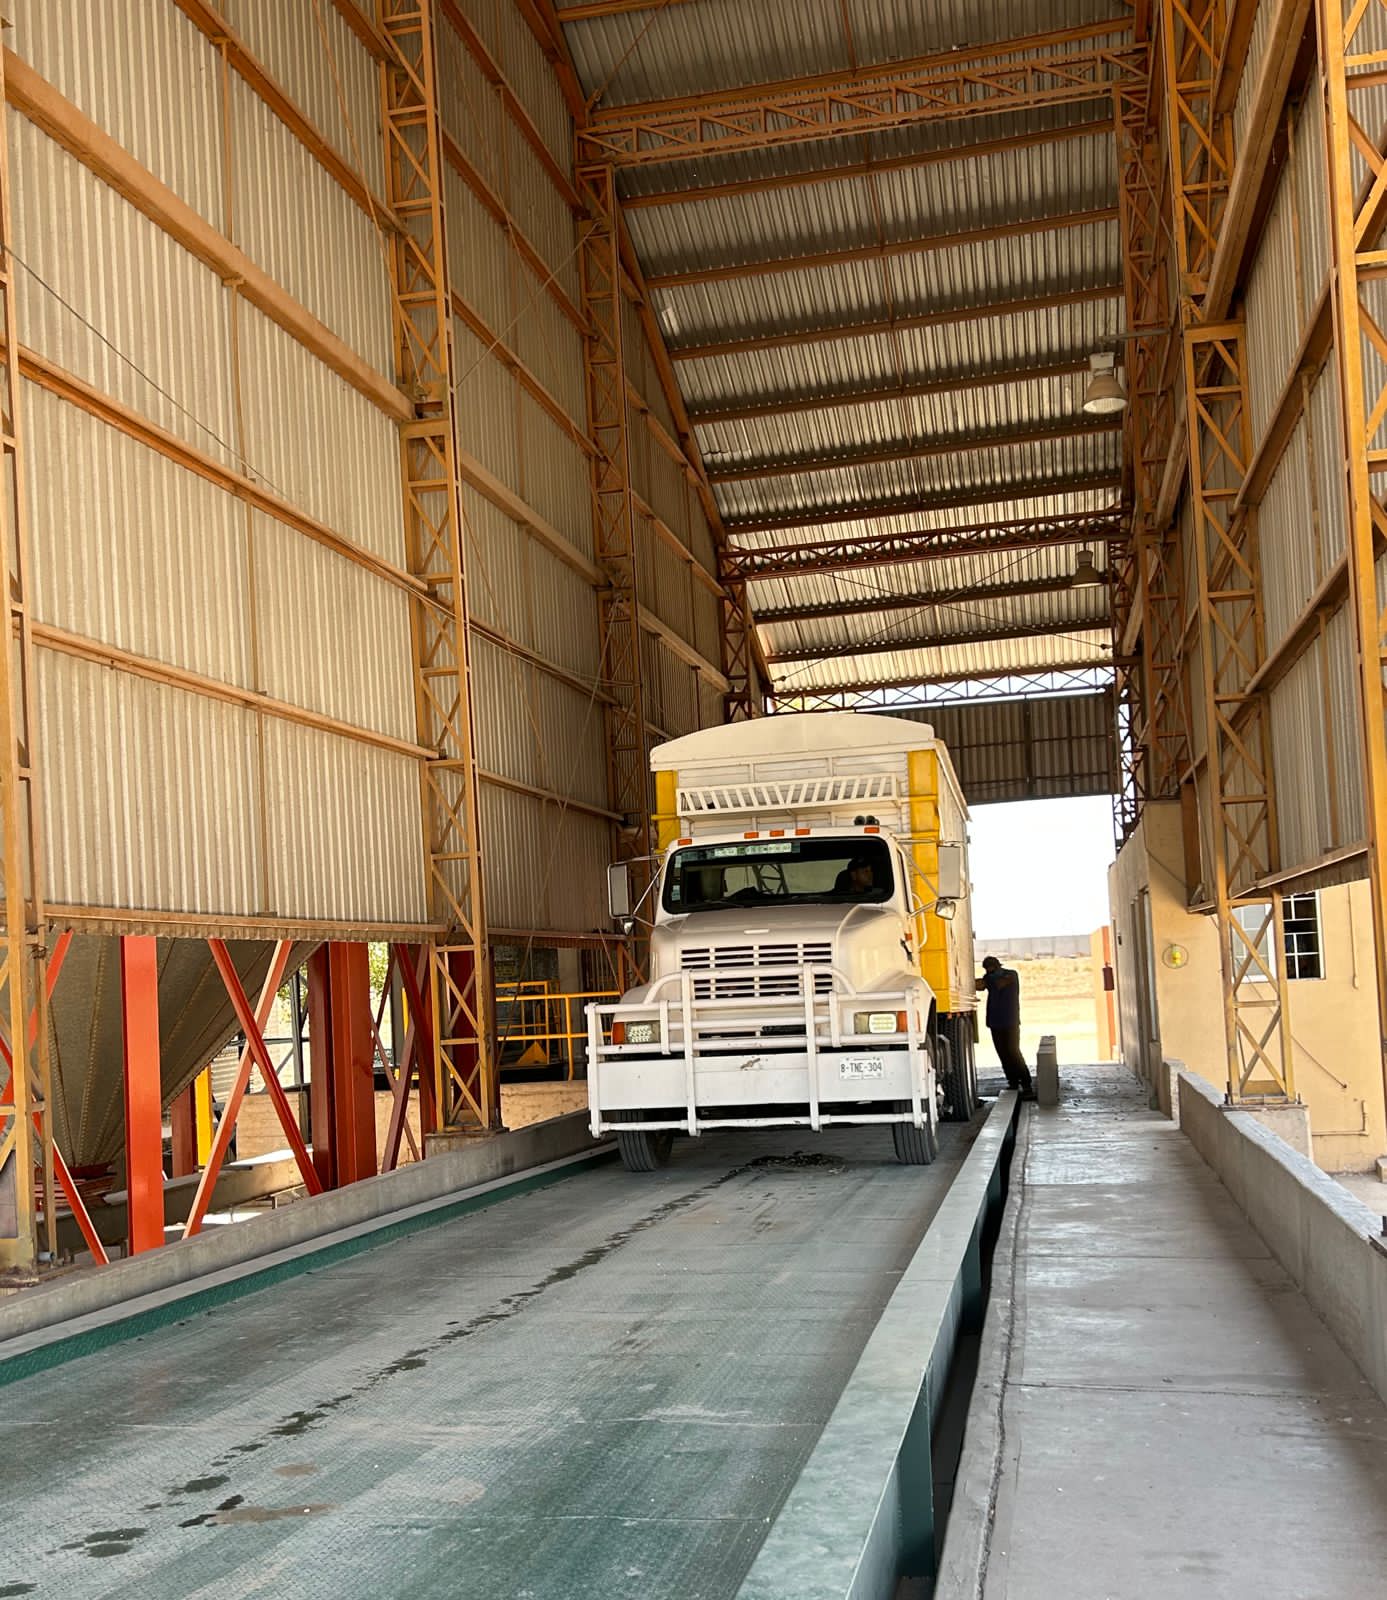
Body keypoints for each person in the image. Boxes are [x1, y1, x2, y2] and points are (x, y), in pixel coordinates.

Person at [977, 955, 1035, 1100]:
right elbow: (980, 986)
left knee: (1013, 1052)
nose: (989, 971)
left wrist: (988, 980)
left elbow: (1000, 983)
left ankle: (1026, 1084)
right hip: (995, 1022)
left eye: (990, 968)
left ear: (997, 966)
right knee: (1003, 1053)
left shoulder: (1011, 975)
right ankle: (1013, 1081)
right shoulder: (990, 978)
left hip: (1010, 1021)